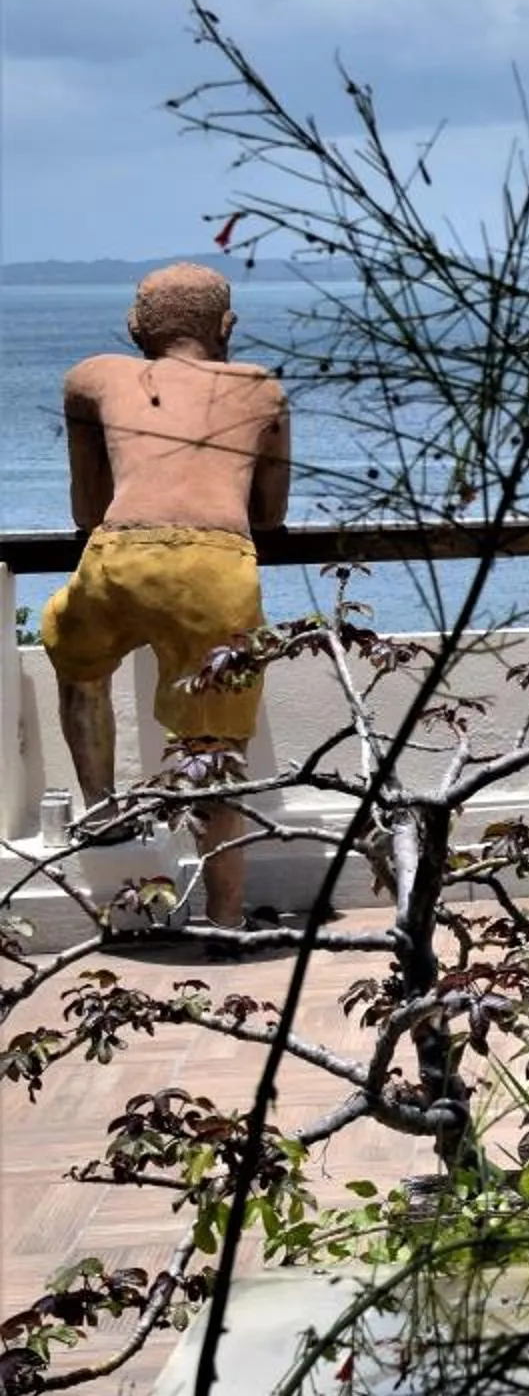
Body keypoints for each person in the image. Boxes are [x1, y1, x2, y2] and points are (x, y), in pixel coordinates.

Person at [41, 262, 290, 931]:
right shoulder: (261, 387)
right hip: (216, 564)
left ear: (134, 327)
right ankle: (227, 917)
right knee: (214, 747)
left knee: (76, 656)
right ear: (226, 326)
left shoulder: (93, 377)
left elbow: (87, 507)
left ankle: (102, 808)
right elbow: (269, 514)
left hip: (119, 555)